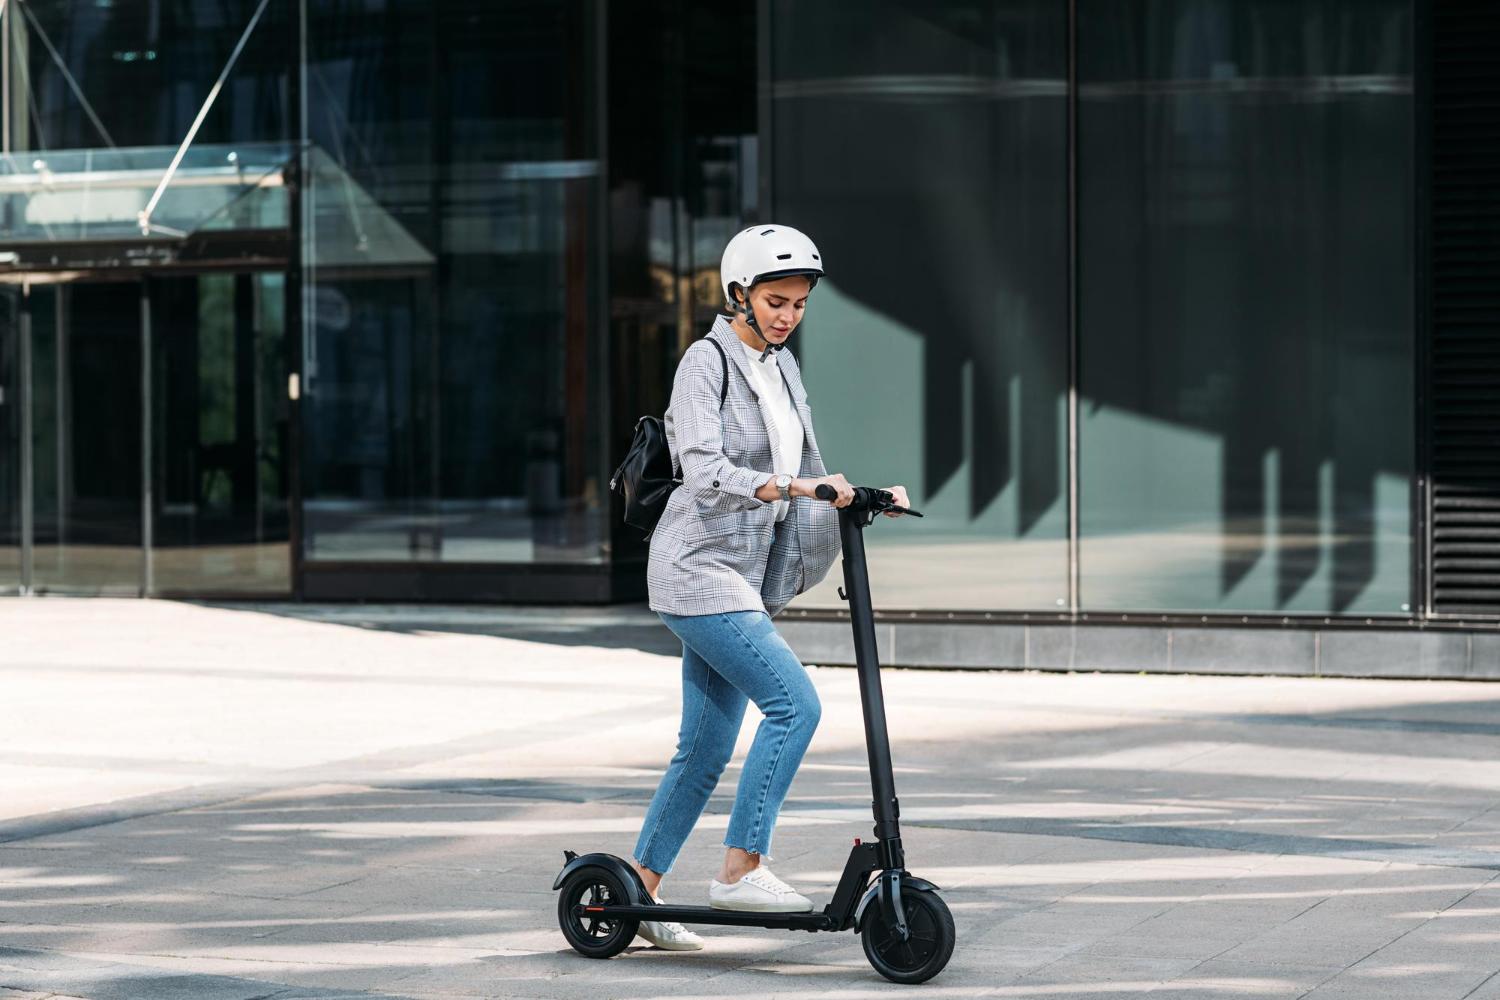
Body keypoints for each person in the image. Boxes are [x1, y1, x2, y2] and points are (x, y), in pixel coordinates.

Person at [628, 224, 909, 951]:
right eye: (775, 300)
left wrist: (863, 493)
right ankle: (741, 867)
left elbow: (807, 465)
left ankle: (638, 892)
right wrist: (790, 486)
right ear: (739, 294)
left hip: (742, 576)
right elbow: (702, 466)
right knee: (794, 705)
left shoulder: (781, 368)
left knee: (704, 747)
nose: (788, 316)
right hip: (698, 569)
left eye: (799, 303)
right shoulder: (706, 362)